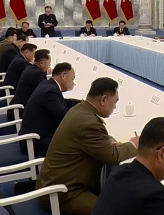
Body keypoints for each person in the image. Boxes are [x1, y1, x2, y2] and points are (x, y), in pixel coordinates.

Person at [36, 78, 139, 215]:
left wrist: (105, 143)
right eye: (115, 102)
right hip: (63, 193)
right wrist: (134, 144)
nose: (115, 107)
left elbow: (90, 139)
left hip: (59, 182)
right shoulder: (89, 123)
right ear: (103, 100)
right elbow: (112, 156)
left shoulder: (81, 110)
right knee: (115, 211)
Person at [19, 62, 79, 156]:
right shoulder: (50, 90)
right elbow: (64, 115)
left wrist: (81, 103)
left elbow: (61, 102)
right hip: (35, 143)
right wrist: (84, 111)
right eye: (72, 79)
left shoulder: (48, 84)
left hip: (36, 136)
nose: (73, 83)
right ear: (63, 76)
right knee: (78, 143)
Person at [10, 49, 51, 121]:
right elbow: (47, 91)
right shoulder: (36, 74)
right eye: (49, 63)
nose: (50, 65)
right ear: (41, 63)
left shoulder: (31, 69)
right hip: (21, 111)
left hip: (21, 106)